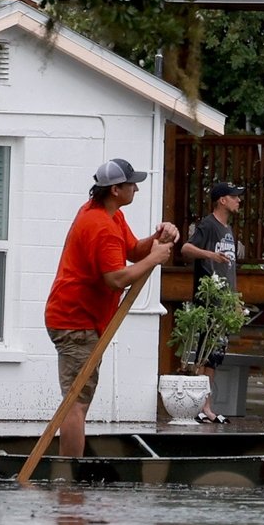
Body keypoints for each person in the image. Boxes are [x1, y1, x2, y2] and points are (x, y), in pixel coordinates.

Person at [44, 158, 179, 457]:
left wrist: (157, 239)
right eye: (132, 184)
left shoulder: (108, 214)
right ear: (116, 189)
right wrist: (154, 259)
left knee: (78, 399)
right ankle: (69, 478)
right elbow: (115, 279)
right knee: (76, 403)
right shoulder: (100, 225)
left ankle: (70, 471)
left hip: (81, 318)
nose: (137, 189)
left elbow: (131, 250)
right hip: (74, 321)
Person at [177, 181, 244, 423]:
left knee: (215, 355)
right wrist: (210, 255)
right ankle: (197, 406)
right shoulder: (208, 225)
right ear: (222, 200)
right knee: (203, 352)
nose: (239, 201)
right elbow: (185, 248)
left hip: (224, 301)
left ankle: (206, 406)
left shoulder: (227, 229)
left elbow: (230, 269)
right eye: (234, 197)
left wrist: (234, 298)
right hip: (208, 300)